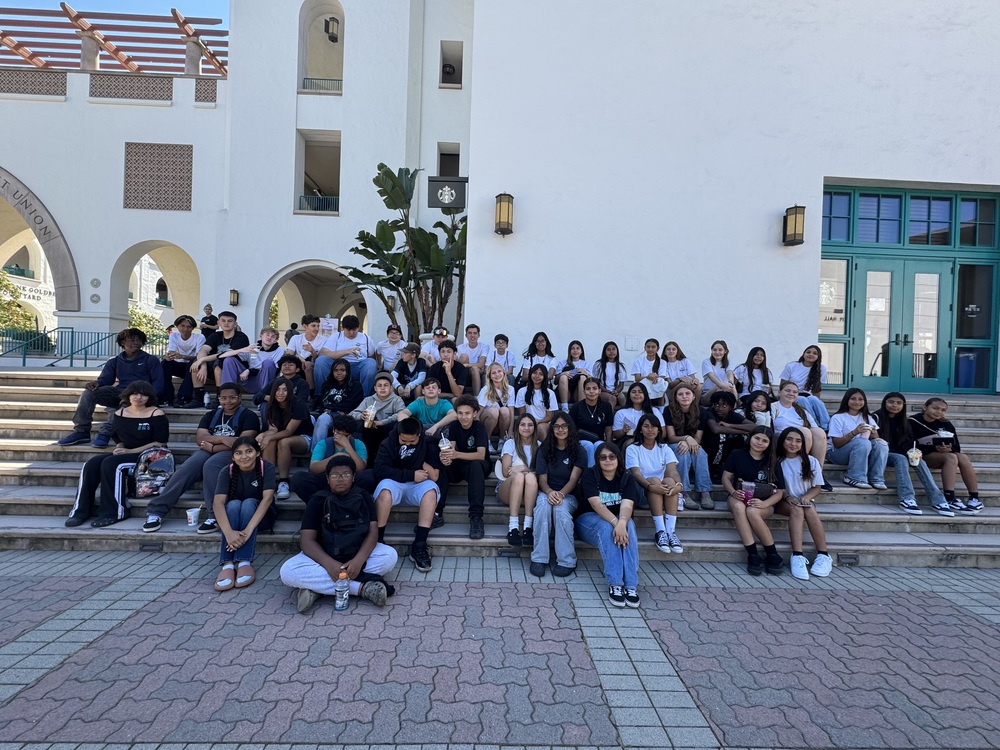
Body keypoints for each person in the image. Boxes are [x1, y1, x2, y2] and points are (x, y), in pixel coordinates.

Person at [279, 456, 398, 612]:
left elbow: (373, 532)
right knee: (287, 572)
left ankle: (316, 589)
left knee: (390, 556)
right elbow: (307, 540)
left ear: (354, 477)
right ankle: (362, 588)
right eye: (335, 475)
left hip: (356, 554)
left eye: (346, 474)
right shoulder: (317, 499)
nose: (340, 479)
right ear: (327, 479)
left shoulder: (363, 496)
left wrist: (359, 560)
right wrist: (329, 565)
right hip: (325, 555)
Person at [142, 383, 259, 533]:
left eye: (232, 398)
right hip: (211, 449)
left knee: (211, 465)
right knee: (189, 466)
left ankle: (215, 516)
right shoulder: (211, 415)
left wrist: (212, 445)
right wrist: (223, 439)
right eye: (223, 398)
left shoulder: (249, 416)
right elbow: (200, 438)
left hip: (234, 454)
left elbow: (242, 444)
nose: (227, 401)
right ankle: (156, 511)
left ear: (240, 397)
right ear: (218, 398)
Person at [65, 380, 169, 528]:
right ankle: (79, 511)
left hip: (151, 455)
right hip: (128, 453)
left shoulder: (156, 413)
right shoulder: (120, 413)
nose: (138, 397)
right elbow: (118, 437)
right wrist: (120, 447)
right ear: (128, 395)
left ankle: (115, 511)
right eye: (134, 393)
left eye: (143, 394)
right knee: (92, 464)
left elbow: (161, 442)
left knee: (112, 464)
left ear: (149, 397)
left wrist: (129, 451)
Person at [57, 328, 164, 448]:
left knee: (126, 402)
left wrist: (148, 398)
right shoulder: (115, 361)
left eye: (139, 340)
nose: (136, 343)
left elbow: (158, 382)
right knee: (89, 393)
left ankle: (105, 434)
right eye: (132, 340)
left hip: (140, 395)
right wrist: (96, 383)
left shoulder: (151, 360)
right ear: (123, 342)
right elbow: (105, 380)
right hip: (119, 392)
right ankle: (81, 431)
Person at [373, 417, 443, 572]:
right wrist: (410, 474)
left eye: (411, 441)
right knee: (384, 492)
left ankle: (419, 545)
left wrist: (419, 465)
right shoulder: (388, 443)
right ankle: (377, 541)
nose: (407, 444)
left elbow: (434, 476)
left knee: (431, 491)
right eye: (403, 440)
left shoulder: (428, 444)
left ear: (419, 435)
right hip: (395, 482)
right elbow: (380, 470)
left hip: (417, 485)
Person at [578, 442, 643, 607]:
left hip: (617, 519)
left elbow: (627, 505)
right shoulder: (590, 474)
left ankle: (630, 585)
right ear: (597, 460)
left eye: (612, 457)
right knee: (607, 527)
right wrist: (616, 522)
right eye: (603, 457)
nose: (608, 460)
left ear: (618, 459)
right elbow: (596, 505)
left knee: (630, 526)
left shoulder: (627, 478)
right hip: (588, 520)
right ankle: (615, 583)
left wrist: (621, 523)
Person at [212, 437, 276, 591]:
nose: (244, 456)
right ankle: (227, 564)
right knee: (233, 504)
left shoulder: (266, 467)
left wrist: (247, 532)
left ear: (258, 453)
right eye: (238, 453)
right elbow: (217, 503)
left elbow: (267, 500)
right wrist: (228, 533)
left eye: (249, 451)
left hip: (261, 518)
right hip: (234, 522)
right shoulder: (226, 471)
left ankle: (244, 562)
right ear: (233, 457)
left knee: (248, 503)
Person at [872, 392, 952, 516]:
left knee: (918, 459)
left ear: (903, 405)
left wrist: (912, 451)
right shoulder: (875, 417)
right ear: (884, 403)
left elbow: (907, 441)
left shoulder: (904, 421)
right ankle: (907, 498)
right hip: (881, 454)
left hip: (898, 453)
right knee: (901, 459)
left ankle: (938, 500)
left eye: (899, 403)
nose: (895, 405)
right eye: (891, 402)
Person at [720, 425, 784, 576]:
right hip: (738, 497)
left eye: (764, 441)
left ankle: (772, 553)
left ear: (769, 444)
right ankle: (753, 554)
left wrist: (765, 503)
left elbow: (780, 492)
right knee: (738, 507)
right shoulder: (737, 454)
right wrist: (733, 492)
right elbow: (726, 478)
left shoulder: (773, 461)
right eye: (756, 438)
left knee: (753, 511)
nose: (759, 443)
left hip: (763, 501)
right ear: (750, 438)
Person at [529, 412, 586, 578]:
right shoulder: (545, 449)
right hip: (546, 491)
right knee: (542, 508)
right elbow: (542, 479)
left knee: (560, 511)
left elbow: (574, 479)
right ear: (552, 429)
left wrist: (560, 494)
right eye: (556, 426)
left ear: (570, 428)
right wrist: (549, 492)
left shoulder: (579, 450)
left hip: (569, 495)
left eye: (564, 426)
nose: (560, 429)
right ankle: (539, 559)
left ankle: (567, 561)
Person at [774, 427, 834, 581]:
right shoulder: (776, 461)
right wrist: (788, 497)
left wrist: (807, 497)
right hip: (782, 500)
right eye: (789, 439)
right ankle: (797, 556)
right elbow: (775, 488)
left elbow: (817, 488)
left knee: (809, 510)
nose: (793, 443)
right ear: (782, 441)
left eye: (798, 440)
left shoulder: (810, 461)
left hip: (805, 500)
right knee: (798, 510)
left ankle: (823, 555)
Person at [910, 398, 983, 513]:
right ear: (925, 407)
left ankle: (975, 497)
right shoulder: (913, 421)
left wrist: (948, 448)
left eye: (943, 410)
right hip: (921, 456)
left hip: (943, 456)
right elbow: (909, 444)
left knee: (962, 457)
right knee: (951, 457)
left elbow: (956, 447)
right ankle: (949, 497)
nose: (939, 412)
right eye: (935, 408)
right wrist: (935, 448)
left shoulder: (946, 424)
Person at [626, 414, 683, 554]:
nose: (650, 430)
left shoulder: (665, 448)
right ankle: (660, 531)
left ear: (659, 430)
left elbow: (673, 471)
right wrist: (651, 486)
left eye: (653, 426)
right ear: (640, 430)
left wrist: (678, 486)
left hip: (662, 493)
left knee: (670, 481)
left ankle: (670, 532)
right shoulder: (633, 448)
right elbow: (636, 474)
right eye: (646, 426)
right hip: (641, 492)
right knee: (654, 479)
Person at [437, 395, 489, 539]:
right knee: (442, 466)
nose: (463, 417)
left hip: (479, 466)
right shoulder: (454, 425)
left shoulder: (479, 427)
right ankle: (436, 513)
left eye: (467, 413)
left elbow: (480, 455)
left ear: (474, 413)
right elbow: (451, 447)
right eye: (460, 413)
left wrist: (456, 455)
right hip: (461, 464)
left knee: (476, 465)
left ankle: (476, 517)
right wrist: (446, 457)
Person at [291, 414, 368, 503]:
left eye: (345, 436)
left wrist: (347, 446)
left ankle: (350, 501)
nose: (340, 438)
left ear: (350, 435)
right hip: (327, 481)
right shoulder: (323, 444)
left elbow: (361, 468)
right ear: (333, 430)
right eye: (338, 433)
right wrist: (336, 456)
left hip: (350, 482)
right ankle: (321, 503)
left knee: (368, 476)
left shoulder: (358, 444)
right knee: (299, 478)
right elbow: (314, 468)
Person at [770, 380, 831, 491]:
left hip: (801, 440)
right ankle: (802, 467)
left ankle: (817, 473)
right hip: (781, 439)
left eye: (795, 392)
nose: (791, 394)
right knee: (805, 432)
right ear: (780, 392)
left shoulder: (801, 410)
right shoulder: (773, 407)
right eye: (787, 390)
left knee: (819, 432)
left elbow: (814, 427)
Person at [258, 380, 313, 500]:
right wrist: (263, 435)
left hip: (303, 438)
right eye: (277, 389)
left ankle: (284, 482)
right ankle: (268, 481)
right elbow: (273, 430)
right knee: (271, 440)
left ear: (290, 392)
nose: (280, 393)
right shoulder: (271, 406)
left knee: (283, 441)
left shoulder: (298, 404)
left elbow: (289, 432)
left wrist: (268, 437)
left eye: (284, 389)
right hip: (280, 437)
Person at [826, 388, 889, 491]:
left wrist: (874, 435)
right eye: (853, 399)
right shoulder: (838, 417)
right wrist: (854, 432)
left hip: (859, 452)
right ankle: (853, 477)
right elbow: (836, 444)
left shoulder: (867, 417)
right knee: (862, 442)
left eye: (860, 399)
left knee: (881, 443)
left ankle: (876, 478)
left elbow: (876, 439)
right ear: (847, 400)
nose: (857, 402)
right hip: (835, 454)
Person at [664, 383, 714, 509]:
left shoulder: (701, 412)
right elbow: (671, 437)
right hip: (674, 445)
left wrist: (690, 441)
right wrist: (686, 438)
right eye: (680, 394)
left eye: (688, 394)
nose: (684, 397)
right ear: (675, 397)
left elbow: (698, 438)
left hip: (692, 444)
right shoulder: (668, 410)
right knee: (682, 452)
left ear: (693, 397)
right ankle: (683, 492)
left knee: (700, 452)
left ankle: (705, 492)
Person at [190, 311, 250, 405]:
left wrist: (203, 359)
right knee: (196, 363)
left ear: (235, 324)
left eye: (230, 321)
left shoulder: (241, 337)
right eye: (223, 320)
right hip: (213, 367)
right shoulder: (215, 336)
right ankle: (198, 398)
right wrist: (203, 365)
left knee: (220, 362)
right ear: (218, 323)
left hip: (233, 369)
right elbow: (203, 350)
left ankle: (219, 397)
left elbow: (226, 354)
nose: (226, 323)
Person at [498, 413, 539, 547]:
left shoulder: (539, 445)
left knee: (530, 476)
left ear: (534, 428)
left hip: (529, 492)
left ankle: (528, 527)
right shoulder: (511, 443)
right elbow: (505, 471)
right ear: (517, 427)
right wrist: (526, 471)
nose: (526, 428)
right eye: (522, 425)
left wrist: (522, 467)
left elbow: (541, 472)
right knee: (520, 476)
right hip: (508, 489)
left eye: (530, 425)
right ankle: (513, 527)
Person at [314, 315, 378, 397]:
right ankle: (320, 395)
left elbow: (372, 357)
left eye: (354, 330)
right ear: (343, 328)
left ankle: (364, 398)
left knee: (371, 363)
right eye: (348, 330)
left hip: (358, 367)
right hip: (339, 365)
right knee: (321, 361)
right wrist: (346, 352)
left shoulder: (365, 338)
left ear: (358, 327)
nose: (351, 333)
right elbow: (323, 353)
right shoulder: (336, 336)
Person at [350, 371, 407, 459]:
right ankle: (367, 458)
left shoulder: (397, 400)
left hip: (387, 428)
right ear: (375, 388)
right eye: (379, 385)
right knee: (362, 426)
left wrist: (381, 422)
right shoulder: (368, 400)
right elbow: (353, 413)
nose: (382, 388)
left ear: (391, 388)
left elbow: (401, 414)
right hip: (370, 428)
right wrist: (361, 415)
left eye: (386, 385)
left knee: (396, 425)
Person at [703, 391, 754, 483]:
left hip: (726, 449)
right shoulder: (710, 412)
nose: (720, 408)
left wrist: (729, 425)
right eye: (717, 405)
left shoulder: (733, 415)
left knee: (740, 440)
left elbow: (754, 427)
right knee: (720, 438)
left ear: (730, 407)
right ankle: (713, 470)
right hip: (708, 445)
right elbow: (716, 429)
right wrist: (742, 431)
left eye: (724, 406)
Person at [218, 326, 284, 395]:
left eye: (273, 336)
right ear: (261, 336)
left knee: (268, 362)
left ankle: (264, 397)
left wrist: (249, 371)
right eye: (267, 335)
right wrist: (241, 350)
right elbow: (226, 357)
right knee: (229, 360)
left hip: (266, 381)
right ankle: (228, 394)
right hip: (247, 379)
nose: (269, 338)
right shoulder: (253, 347)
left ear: (276, 340)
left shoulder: (279, 350)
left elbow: (275, 370)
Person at [313, 358, 364, 445]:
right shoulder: (327, 385)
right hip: (328, 414)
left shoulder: (355, 385)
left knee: (323, 418)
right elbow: (322, 402)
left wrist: (330, 408)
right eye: (336, 370)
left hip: (346, 415)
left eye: (342, 370)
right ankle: (316, 453)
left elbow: (350, 404)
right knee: (319, 418)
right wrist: (325, 409)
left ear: (347, 371)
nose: (339, 373)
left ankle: (317, 453)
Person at [779, 345, 830, 430]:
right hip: (792, 394)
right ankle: (815, 424)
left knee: (815, 400)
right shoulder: (792, 366)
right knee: (803, 400)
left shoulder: (821, 368)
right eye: (808, 352)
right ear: (804, 354)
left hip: (808, 395)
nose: (811, 354)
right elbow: (783, 384)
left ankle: (827, 426)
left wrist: (817, 400)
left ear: (818, 357)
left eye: (815, 353)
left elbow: (817, 388)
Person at [159, 314, 205, 407]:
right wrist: (169, 356)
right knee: (165, 364)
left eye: (189, 327)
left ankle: (183, 397)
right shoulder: (174, 336)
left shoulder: (199, 337)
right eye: (182, 326)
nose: (185, 329)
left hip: (191, 366)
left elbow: (199, 356)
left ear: (192, 328)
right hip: (178, 365)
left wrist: (182, 356)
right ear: (177, 326)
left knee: (193, 364)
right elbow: (172, 350)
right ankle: (167, 397)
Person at [253, 355, 311, 427]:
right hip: (275, 412)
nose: (287, 366)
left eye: (291, 365)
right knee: (265, 405)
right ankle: (267, 430)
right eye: (284, 365)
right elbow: (256, 397)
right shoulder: (275, 382)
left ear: (297, 369)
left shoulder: (302, 383)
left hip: (291, 413)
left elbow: (302, 402)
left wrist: (283, 400)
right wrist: (267, 397)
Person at [569, 377, 614, 466]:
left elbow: (608, 427)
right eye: (588, 389)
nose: (591, 391)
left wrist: (609, 444)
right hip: (581, 440)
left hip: (599, 440)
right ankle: (591, 474)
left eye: (594, 388)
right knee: (589, 445)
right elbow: (571, 427)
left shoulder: (606, 406)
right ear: (583, 391)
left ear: (600, 391)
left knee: (599, 445)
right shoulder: (576, 407)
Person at [285, 314, 329, 394]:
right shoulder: (296, 338)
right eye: (313, 326)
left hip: (314, 365)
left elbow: (320, 361)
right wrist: (299, 358)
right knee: (286, 365)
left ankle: (311, 394)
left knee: (307, 365)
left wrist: (312, 351)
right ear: (305, 326)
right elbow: (288, 355)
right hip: (298, 363)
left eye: (318, 326)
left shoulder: (324, 340)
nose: (316, 329)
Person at [612, 381, 664, 448]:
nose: (637, 394)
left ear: (645, 395)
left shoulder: (654, 411)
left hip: (651, 439)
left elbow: (663, 432)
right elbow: (615, 434)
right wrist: (623, 431)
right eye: (633, 392)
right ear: (629, 396)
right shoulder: (621, 413)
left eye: (640, 392)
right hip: (628, 440)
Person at [514, 363, 557, 440]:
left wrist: (538, 421)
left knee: (540, 428)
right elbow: (522, 414)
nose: (537, 376)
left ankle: (545, 451)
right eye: (535, 373)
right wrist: (531, 422)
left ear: (544, 377)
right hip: (527, 421)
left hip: (544, 423)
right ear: (530, 374)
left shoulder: (550, 393)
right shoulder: (522, 391)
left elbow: (549, 416)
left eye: (540, 374)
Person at [478, 362, 516, 444]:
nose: (497, 374)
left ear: (503, 373)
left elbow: (511, 412)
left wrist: (510, 431)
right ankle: (486, 440)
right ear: (490, 376)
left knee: (505, 410)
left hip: (501, 424)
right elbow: (478, 412)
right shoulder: (485, 390)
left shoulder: (510, 389)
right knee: (494, 411)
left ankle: (502, 441)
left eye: (499, 371)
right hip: (487, 421)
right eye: (493, 373)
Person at [555, 340, 591, 410]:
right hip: (565, 391)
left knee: (583, 377)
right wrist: (563, 374)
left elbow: (592, 381)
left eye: (577, 348)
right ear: (569, 351)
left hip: (578, 391)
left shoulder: (586, 364)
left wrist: (585, 373)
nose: (575, 351)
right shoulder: (562, 363)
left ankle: (581, 407)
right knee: (563, 377)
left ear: (581, 351)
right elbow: (555, 381)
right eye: (573, 348)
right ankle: (565, 407)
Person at [631, 338, 669, 406]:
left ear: (657, 349)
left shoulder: (662, 362)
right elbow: (637, 379)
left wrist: (654, 377)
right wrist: (648, 377)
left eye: (653, 347)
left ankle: (661, 408)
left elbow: (662, 377)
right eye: (648, 347)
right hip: (643, 384)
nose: (650, 349)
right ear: (645, 348)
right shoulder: (638, 361)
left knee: (661, 382)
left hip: (656, 383)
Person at [701, 339, 738, 405]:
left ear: (725, 351)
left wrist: (730, 383)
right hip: (708, 393)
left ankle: (734, 407)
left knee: (732, 386)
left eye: (720, 350)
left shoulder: (728, 362)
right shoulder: (706, 362)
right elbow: (711, 376)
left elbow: (730, 373)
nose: (717, 352)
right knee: (718, 387)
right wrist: (721, 385)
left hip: (724, 391)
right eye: (714, 350)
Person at [592, 341, 628, 408]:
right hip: (602, 391)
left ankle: (628, 415)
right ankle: (609, 418)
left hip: (615, 391)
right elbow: (596, 382)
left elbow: (621, 385)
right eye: (608, 350)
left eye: (614, 349)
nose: (611, 351)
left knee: (622, 397)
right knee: (612, 398)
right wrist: (607, 391)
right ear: (605, 352)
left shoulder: (621, 366)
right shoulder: (599, 364)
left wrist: (617, 391)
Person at [457, 323, 491, 395]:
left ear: (478, 335)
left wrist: (466, 365)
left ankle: (477, 396)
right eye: (470, 333)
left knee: (475, 368)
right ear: (466, 335)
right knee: (464, 357)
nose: (472, 335)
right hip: (463, 372)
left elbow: (481, 364)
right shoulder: (460, 347)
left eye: (475, 333)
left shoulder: (484, 346)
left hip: (478, 372)